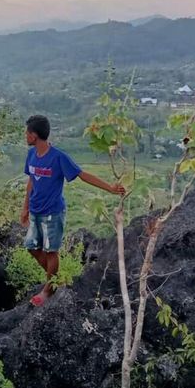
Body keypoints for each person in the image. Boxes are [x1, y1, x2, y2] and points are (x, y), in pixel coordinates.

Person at [21, 115, 125, 307]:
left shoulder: (58, 157)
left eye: (27, 132)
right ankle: (55, 279)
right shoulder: (32, 155)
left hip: (53, 212)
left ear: (34, 135)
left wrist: (110, 188)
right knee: (31, 247)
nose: (25, 136)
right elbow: (31, 182)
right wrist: (25, 207)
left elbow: (82, 175)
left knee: (51, 251)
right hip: (36, 210)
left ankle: (48, 290)